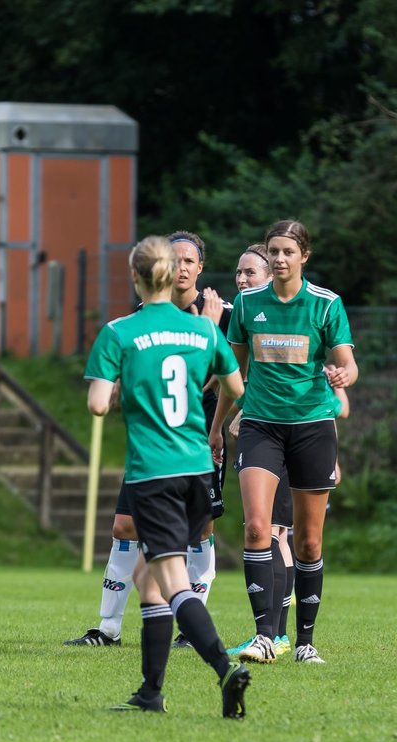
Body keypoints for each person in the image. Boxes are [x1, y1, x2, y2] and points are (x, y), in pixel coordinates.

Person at [84, 234, 249, 715]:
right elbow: (236, 388)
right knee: (148, 580)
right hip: (198, 471)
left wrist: (125, 386)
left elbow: (98, 404)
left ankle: (225, 670)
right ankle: (150, 693)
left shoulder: (119, 332)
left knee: (171, 582)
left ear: (135, 277)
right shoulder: (205, 330)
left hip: (154, 474)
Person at [65, 230, 233, 649]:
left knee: (198, 532)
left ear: (200, 268)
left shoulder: (223, 316)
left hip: (200, 437)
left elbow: (237, 378)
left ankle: (190, 634)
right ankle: (107, 628)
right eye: (173, 260)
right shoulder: (142, 317)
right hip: (152, 441)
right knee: (124, 525)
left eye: (189, 261)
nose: (181, 268)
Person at [210, 220, 358, 665]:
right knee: (257, 528)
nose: (278, 259)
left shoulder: (326, 305)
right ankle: (263, 636)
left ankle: (306, 641)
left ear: (303, 257)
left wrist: (340, 375)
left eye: (287, 252)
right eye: (273, 251)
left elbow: (348, 366)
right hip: (260, 426)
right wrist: (217, 430)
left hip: (312, 427)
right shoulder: (247, 304)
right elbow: (231, 376)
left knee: (308, 542)